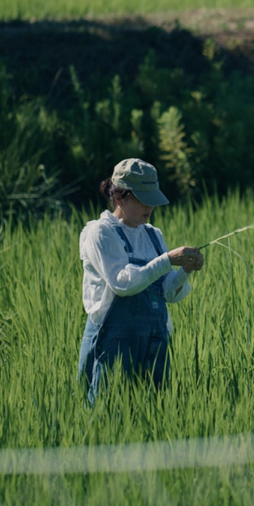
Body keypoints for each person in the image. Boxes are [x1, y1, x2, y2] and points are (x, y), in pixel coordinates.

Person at [76, 158, 204, 402]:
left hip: (155, 341)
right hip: (113, 343)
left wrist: (185, 270)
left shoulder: (153, 235)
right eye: (142, 200)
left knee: (152, 412)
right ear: (119, 198)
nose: (150, 207)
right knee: (107, 416)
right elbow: (122, 284)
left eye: (152, 200)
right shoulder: (101, 232)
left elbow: (167, 293)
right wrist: (167, 260)